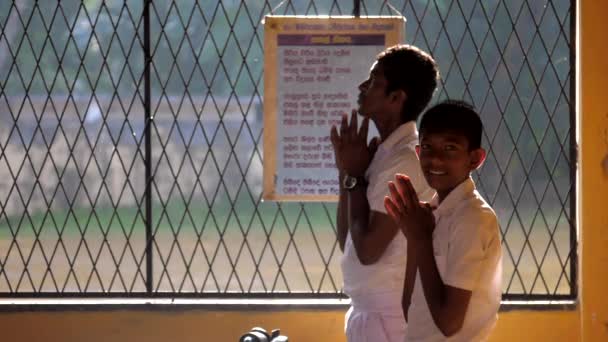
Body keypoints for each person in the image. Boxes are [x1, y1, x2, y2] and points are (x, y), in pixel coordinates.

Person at [330, 44, 439, 342]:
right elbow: (349, 241)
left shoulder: (404, 160)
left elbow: (368, 251)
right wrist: (347, 174)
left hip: (390, 319)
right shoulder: (382, 154)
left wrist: (354, 176)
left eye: (374, 81)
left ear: (396, 97)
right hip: (371, 314)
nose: (362, 87)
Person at [384, 100, 503, 341]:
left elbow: (449, 324)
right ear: (418, 152)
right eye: (427, 147)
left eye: (450, 148)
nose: (436, 159)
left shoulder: (473, 218)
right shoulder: (431, 215)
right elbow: (410, 309)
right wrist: (414, 236)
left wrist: (420, 239)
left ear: (475, 159)